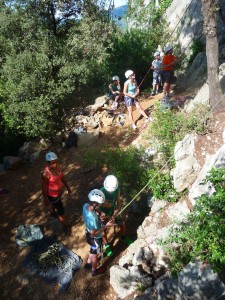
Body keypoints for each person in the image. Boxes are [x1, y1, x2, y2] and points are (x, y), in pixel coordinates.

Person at [83, 189, 114, 276]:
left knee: (93, 250)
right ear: (95, 204)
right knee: (95, 254)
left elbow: (94, 212)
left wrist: (99, 213)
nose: (101, 205)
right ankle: (94, 270)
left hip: (88, 233)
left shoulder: (85, 206)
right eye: (100, 204)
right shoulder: (92, 218)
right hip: (95, 238)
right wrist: (105, 226)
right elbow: (94, 233)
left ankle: (89, 263)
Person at [100, 175, 133, 256]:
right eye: (109, 190)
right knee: (103, 230)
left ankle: (123, 237)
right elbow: (97, 206)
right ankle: (107, 245)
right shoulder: (101, 191)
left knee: (122, 225)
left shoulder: (117, 190)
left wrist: (114, 214)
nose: (111, 192)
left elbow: (118, 204)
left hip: (113, 212)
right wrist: (101, 214)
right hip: (103, 214)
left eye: (112, 190)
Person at [42, 152, 71, 233]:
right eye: (52, 163)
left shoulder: (57, 167)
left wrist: (67, 187)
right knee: (61, 211)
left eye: (55, 162)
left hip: (58, 192)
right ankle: (65, 226)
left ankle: (52, 212)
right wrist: (45, 199)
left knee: (54, 204)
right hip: (52, 195)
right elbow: (43, 187)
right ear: (48, 163)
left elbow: (62, 177)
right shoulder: (46, 174)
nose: (54, 165)